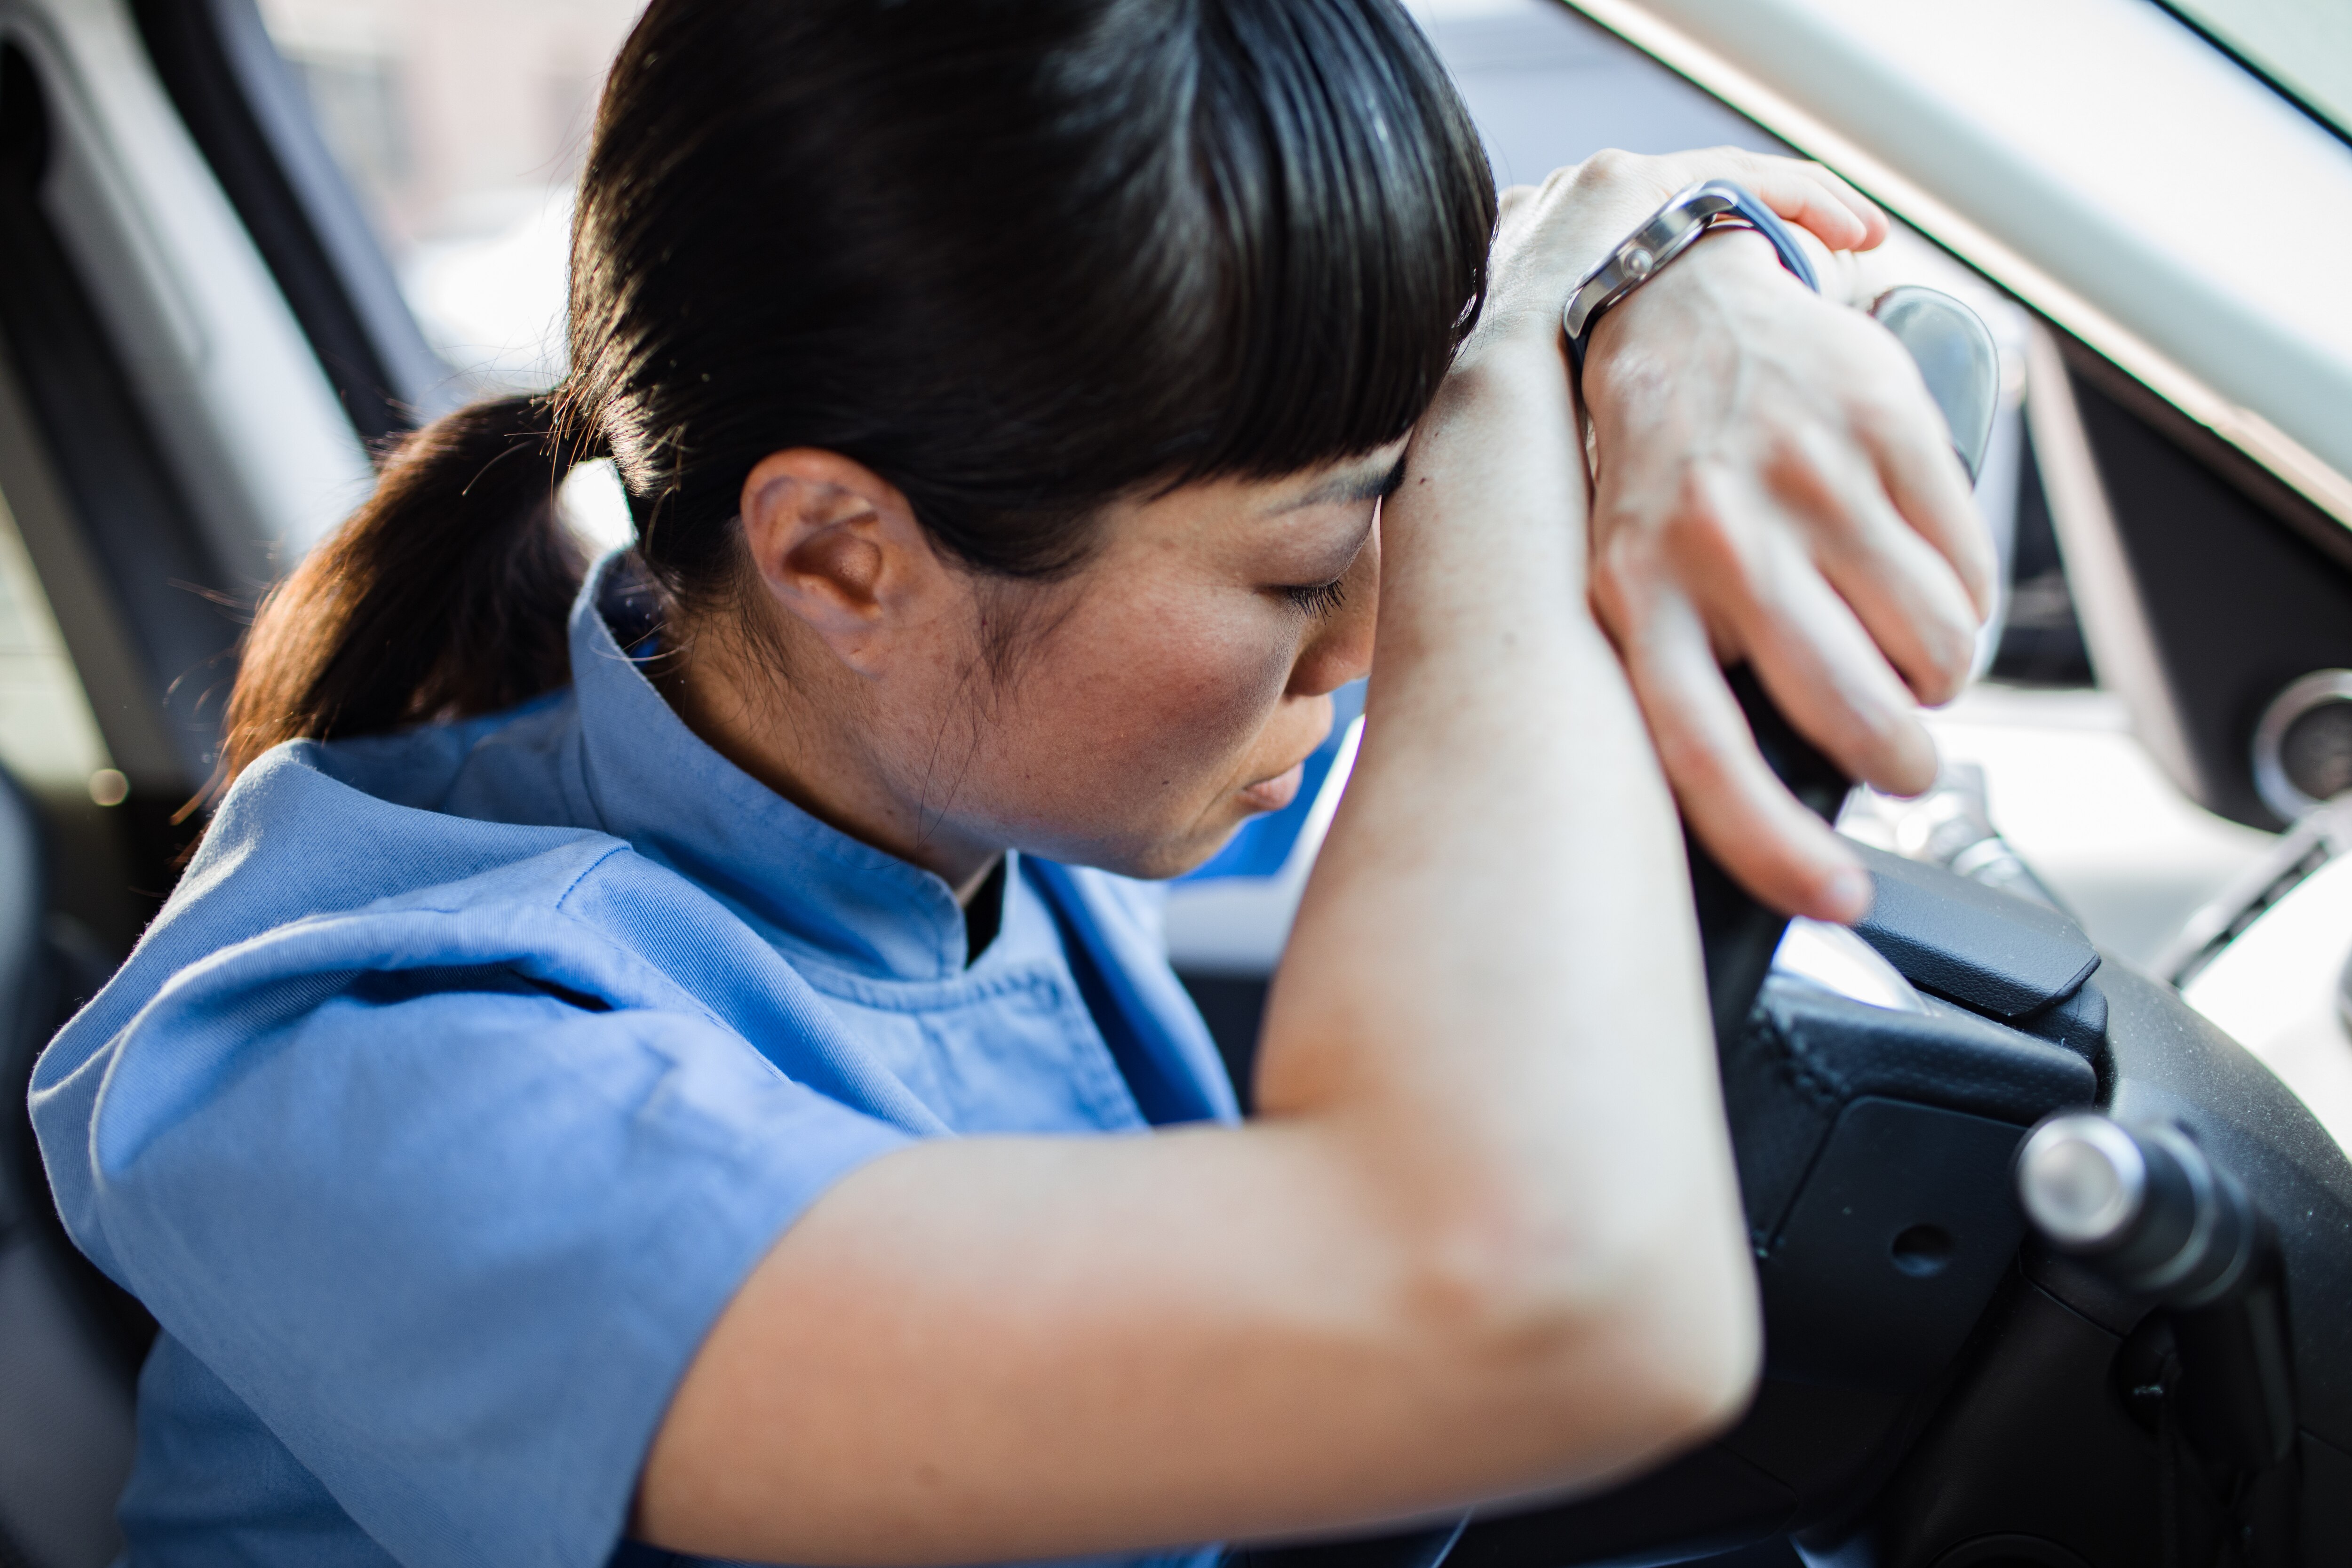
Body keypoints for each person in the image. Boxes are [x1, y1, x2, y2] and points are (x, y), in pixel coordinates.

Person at [31, 2, 1993, 1565]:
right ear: (837, 560)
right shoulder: (375, 1074)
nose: (1377, 638)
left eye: (1386, 538)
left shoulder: (947, 780)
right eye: (1312, 570)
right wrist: (1491, 429)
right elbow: (1556, 1302)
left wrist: (1678, 271)